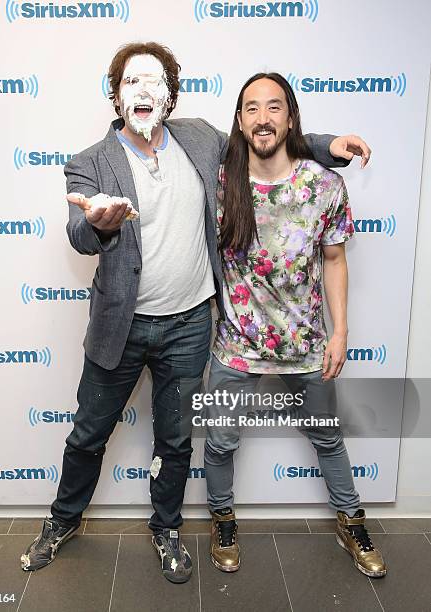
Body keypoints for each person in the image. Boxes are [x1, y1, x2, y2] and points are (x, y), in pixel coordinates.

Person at [20, 42, 372, 584]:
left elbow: (264, 138)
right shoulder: (89, 162)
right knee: (88, 434)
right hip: (122, 328)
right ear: (115, 96)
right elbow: (80, 233)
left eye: (153, 82)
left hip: (189, 326)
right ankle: (62, 520)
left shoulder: (200, 139)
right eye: (130, 83)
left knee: (177, 440)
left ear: (170, 94)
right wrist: (101, 223)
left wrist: (328, 144)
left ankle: (166, 529)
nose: (142, 92)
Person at [204, 72, 386, 578]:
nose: (263, 118)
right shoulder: (219, 183)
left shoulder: (325, 185)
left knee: (327, 438)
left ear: (290, 117)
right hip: (236, 344)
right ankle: (223, 519)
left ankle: (352, 522)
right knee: (220, 443)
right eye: (252, 109)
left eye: (274, 107)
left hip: (305, 343)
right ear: (239, 122)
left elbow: (334, 261)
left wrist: (341, 332)